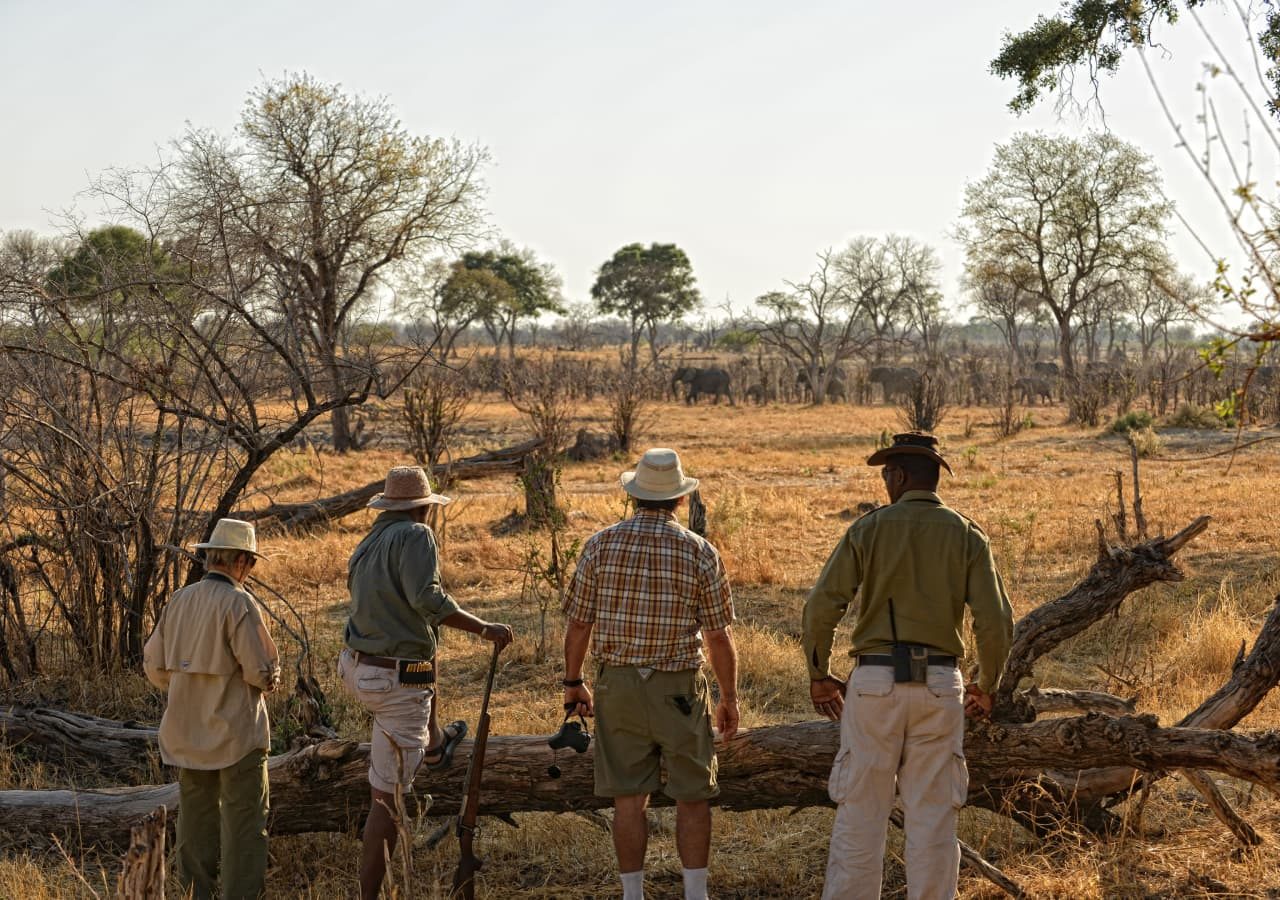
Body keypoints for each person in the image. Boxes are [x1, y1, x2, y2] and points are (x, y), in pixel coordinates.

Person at [803, 431, 1014, 900]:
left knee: (861, 813)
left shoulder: (869, 528)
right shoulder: (965, 533)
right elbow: (995, 619)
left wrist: (820, 674)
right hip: (941, 682)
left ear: (898, 476)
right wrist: (986, 683)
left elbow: (821, 607)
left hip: (875, 682)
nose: (884, 482)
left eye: (885, 474)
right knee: (934, 817)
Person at [561, 447, 739, 900]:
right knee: (693, 795)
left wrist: (572, 681)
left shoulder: (601, 543)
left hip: (617, 683)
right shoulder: (699, 550)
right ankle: (695, 893)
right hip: (678, 686)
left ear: (633, 496)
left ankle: (633, 894)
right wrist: (729, 698)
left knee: (628, 799)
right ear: (681, 500)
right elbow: (718, 637)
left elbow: (579, 623)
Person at [339, 464, 514, 900]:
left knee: (423, 653)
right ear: (423, 508)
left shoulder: (371, 540)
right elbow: (426, 598)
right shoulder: (417, 535)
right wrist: (483, 627)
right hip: (393, 680)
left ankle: (434, 744)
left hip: (358, 666)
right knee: (387, 800)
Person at [143, 517, 281, 900]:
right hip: (238, 735)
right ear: (240, 561)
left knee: (194, 828)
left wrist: (188, 685)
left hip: (187, 734)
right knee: (245, 830)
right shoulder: (239, 603)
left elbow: (154, 667)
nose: (249, 571)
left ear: (211, 558)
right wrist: (272, 680)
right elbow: (260, 672)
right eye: (249, 563)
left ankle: (194, 894)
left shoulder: (180, 599)